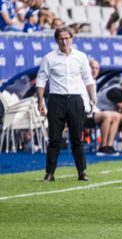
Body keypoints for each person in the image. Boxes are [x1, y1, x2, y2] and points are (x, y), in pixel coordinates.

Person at [36, 26, 96, 182]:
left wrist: (92, 97)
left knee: (77, 138)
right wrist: (40, 101)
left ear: (72, 39)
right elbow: (41, 79)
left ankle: (82, 172)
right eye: (61, 38)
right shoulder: (49, 58)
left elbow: (87, 78)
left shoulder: (81, 57)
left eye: (67, 38)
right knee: (54, 138)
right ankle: (49, 173)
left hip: (76, 100)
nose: (64, 41)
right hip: (56, 99)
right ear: (56, 40)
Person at [83, 59, 121, 156]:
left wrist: (98, 111)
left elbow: (93, 103)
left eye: (97, 68)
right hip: (83, 114)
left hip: (92, 112)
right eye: (92, 68)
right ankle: (102, 146)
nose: (94, 70)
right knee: (107, 115)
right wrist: (96, 111)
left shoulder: (94, 82)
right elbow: (84, 103)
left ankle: (109, 145)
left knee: (116, 116)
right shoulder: (82, 82)